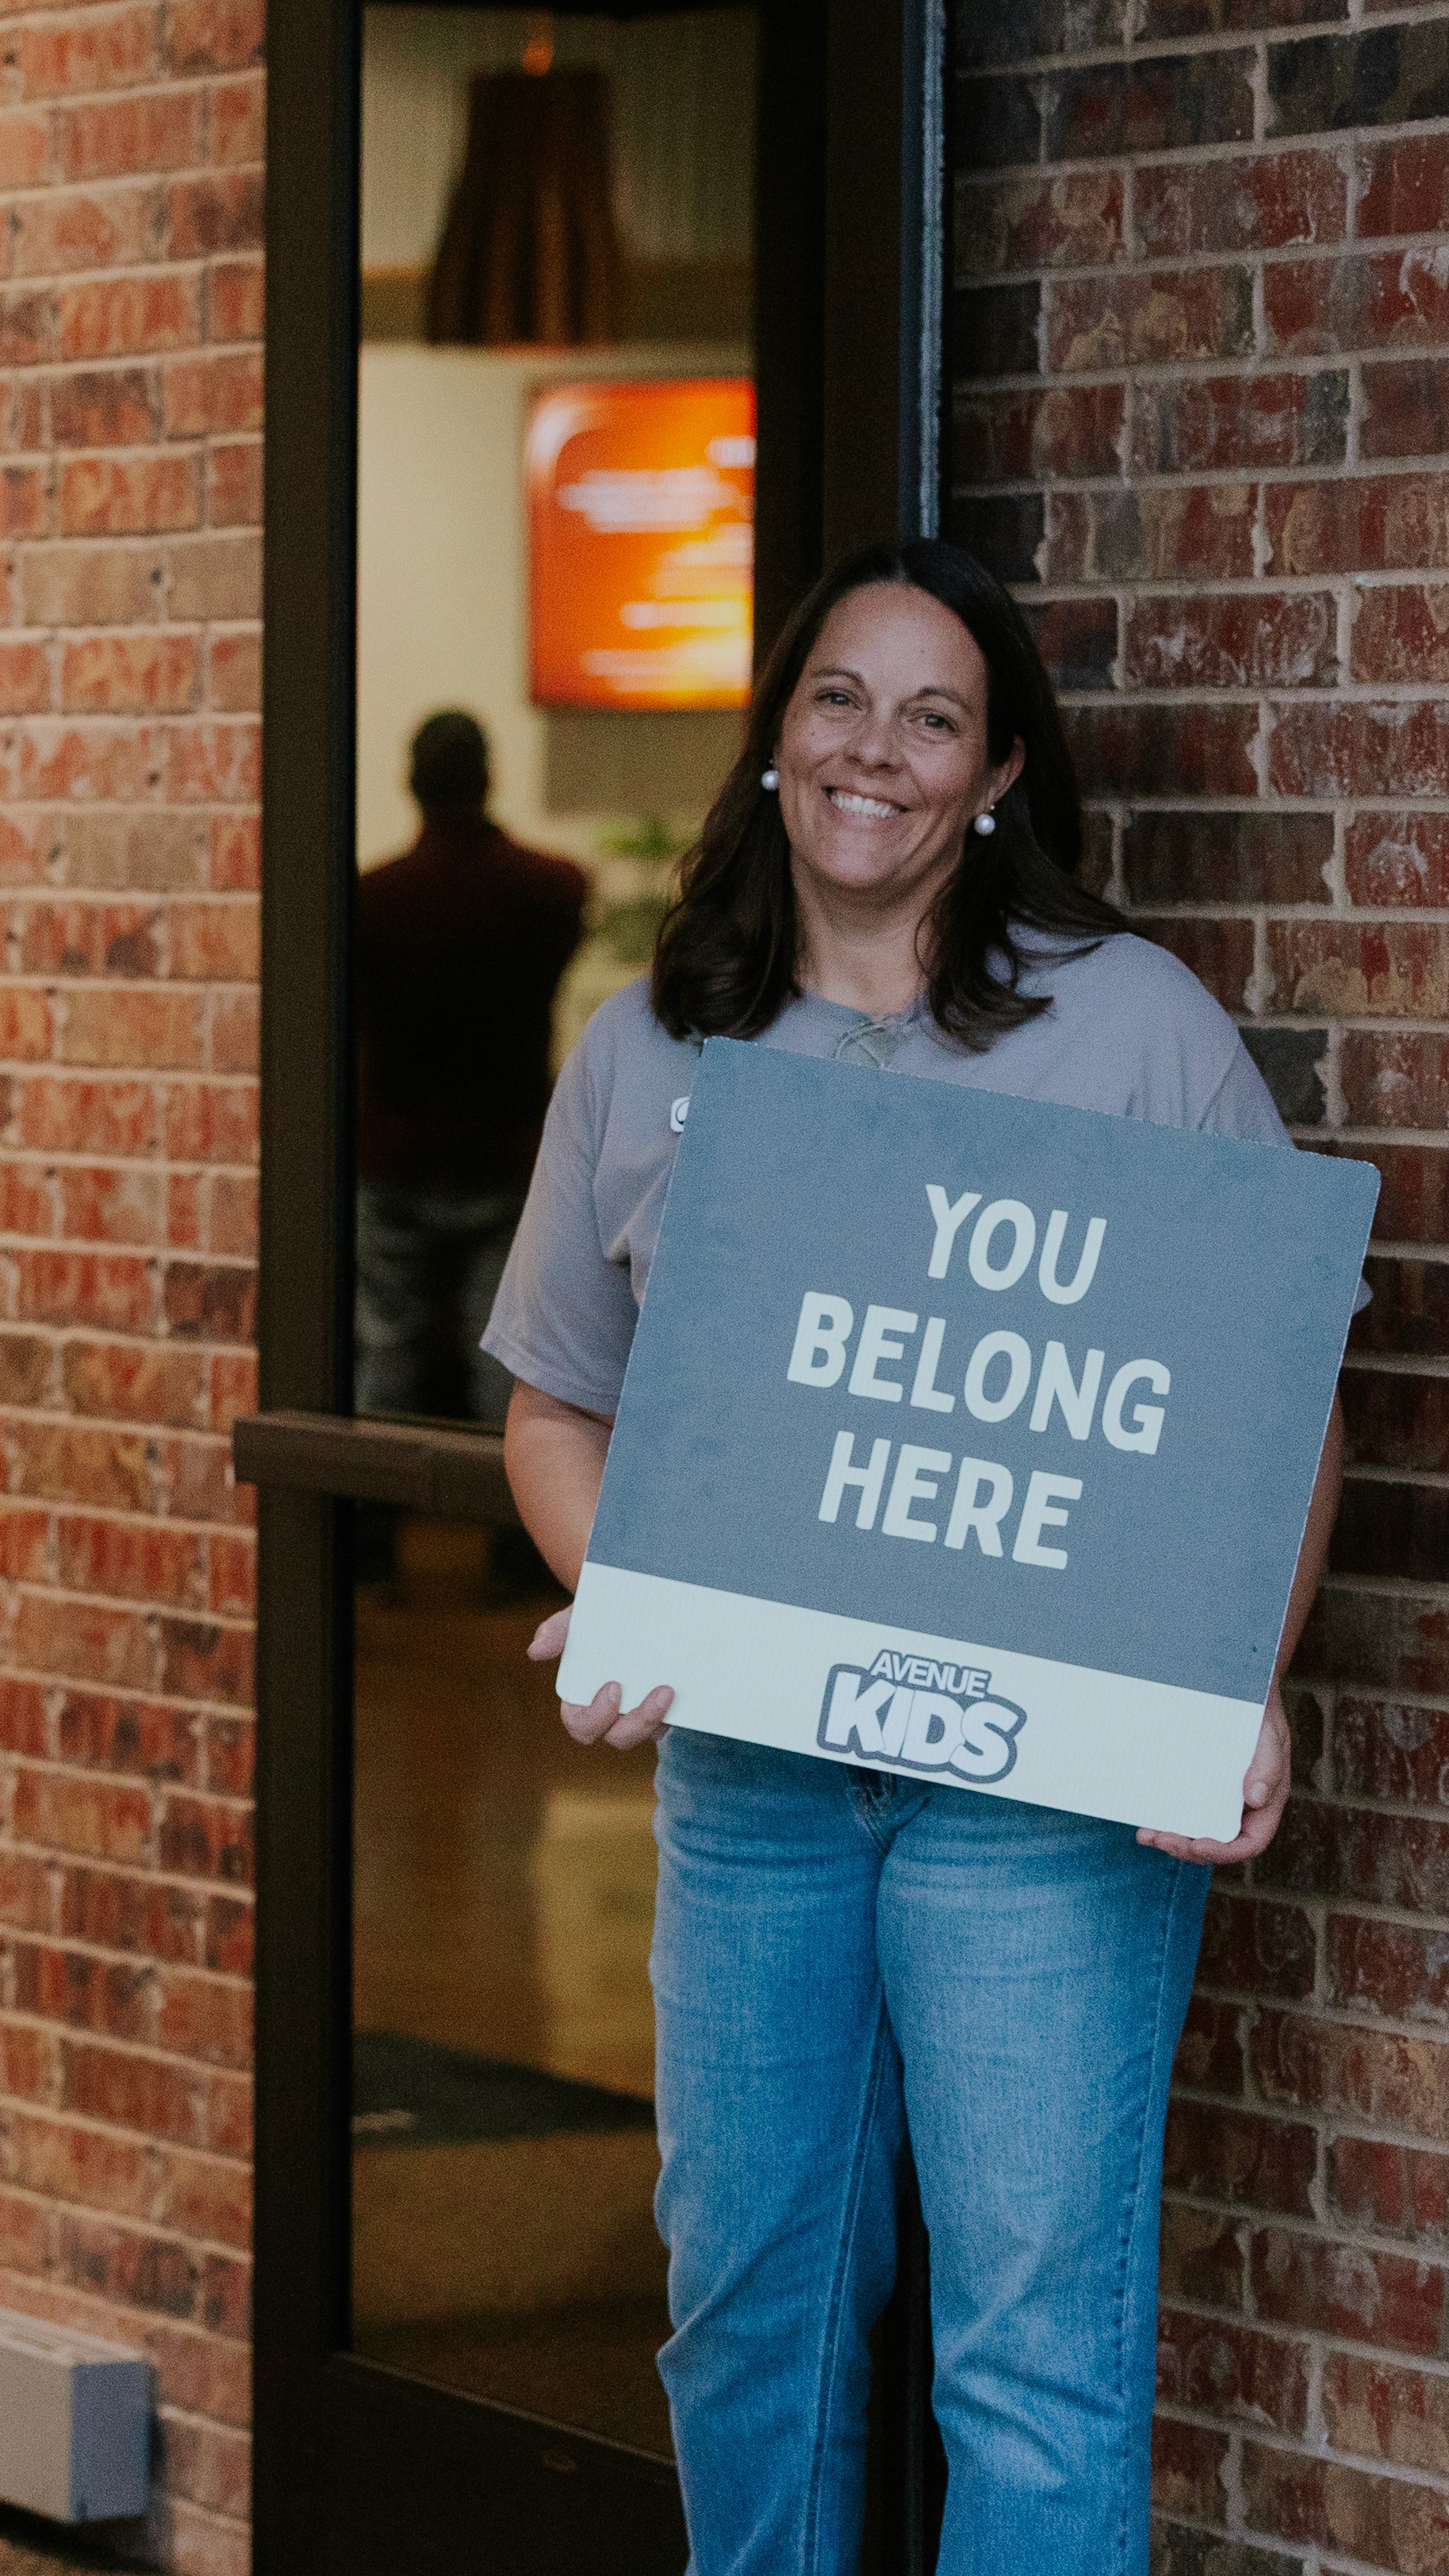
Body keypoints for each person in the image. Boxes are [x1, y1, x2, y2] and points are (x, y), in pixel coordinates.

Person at [486, 537, 1346, 2574]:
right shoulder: (650, 1045)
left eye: (933, 717)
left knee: (1032, 2359)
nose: (876, 750)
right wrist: (620, 1590)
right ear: (776, 737)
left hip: (1036, 1801)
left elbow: (1280, 1383)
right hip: (754, 1793)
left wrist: (1246, 1665)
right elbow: (552, 1403)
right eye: (838, 701)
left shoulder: (1127, 1028)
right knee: (745, 2316)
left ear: (998, 779)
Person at [351, 707, 587, 1427]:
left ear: (410, 784)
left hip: (395, 1157)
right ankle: (504, 1535)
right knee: (501, 1373)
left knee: (386, 1357)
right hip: (509, 1157)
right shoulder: (555, 888)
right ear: (491, 778)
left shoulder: (370, 900)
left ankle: (369, 1540)